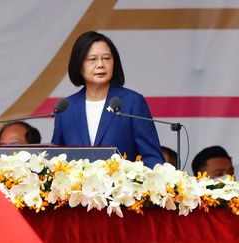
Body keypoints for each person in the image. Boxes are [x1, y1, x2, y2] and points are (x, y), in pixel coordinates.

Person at [51, 31, 164, 168]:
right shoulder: (67, 108)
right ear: (79, 65)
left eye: (106, 58)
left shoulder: (132, 102)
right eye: (92, 59)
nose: (100, 65)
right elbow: (56, 160)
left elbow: (152, 157)